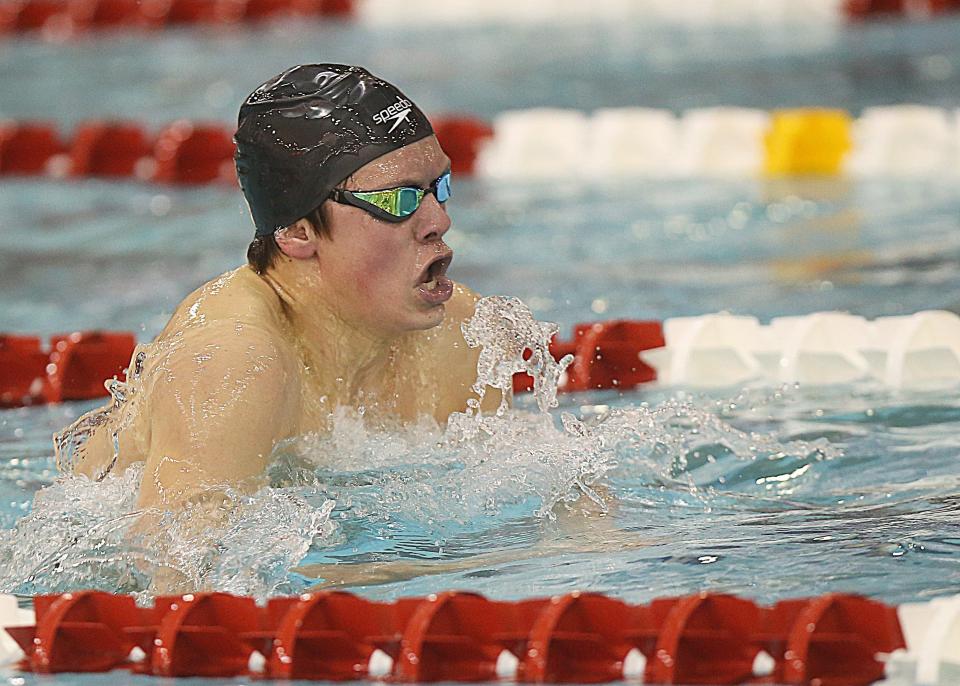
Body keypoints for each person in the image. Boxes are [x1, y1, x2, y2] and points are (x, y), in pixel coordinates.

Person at [53, 64, 504, 581]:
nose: (438, 220)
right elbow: (176, 590)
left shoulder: (459, 331)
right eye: (397, 199)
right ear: (296, 231)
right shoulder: (235, 363)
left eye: (438, 186)